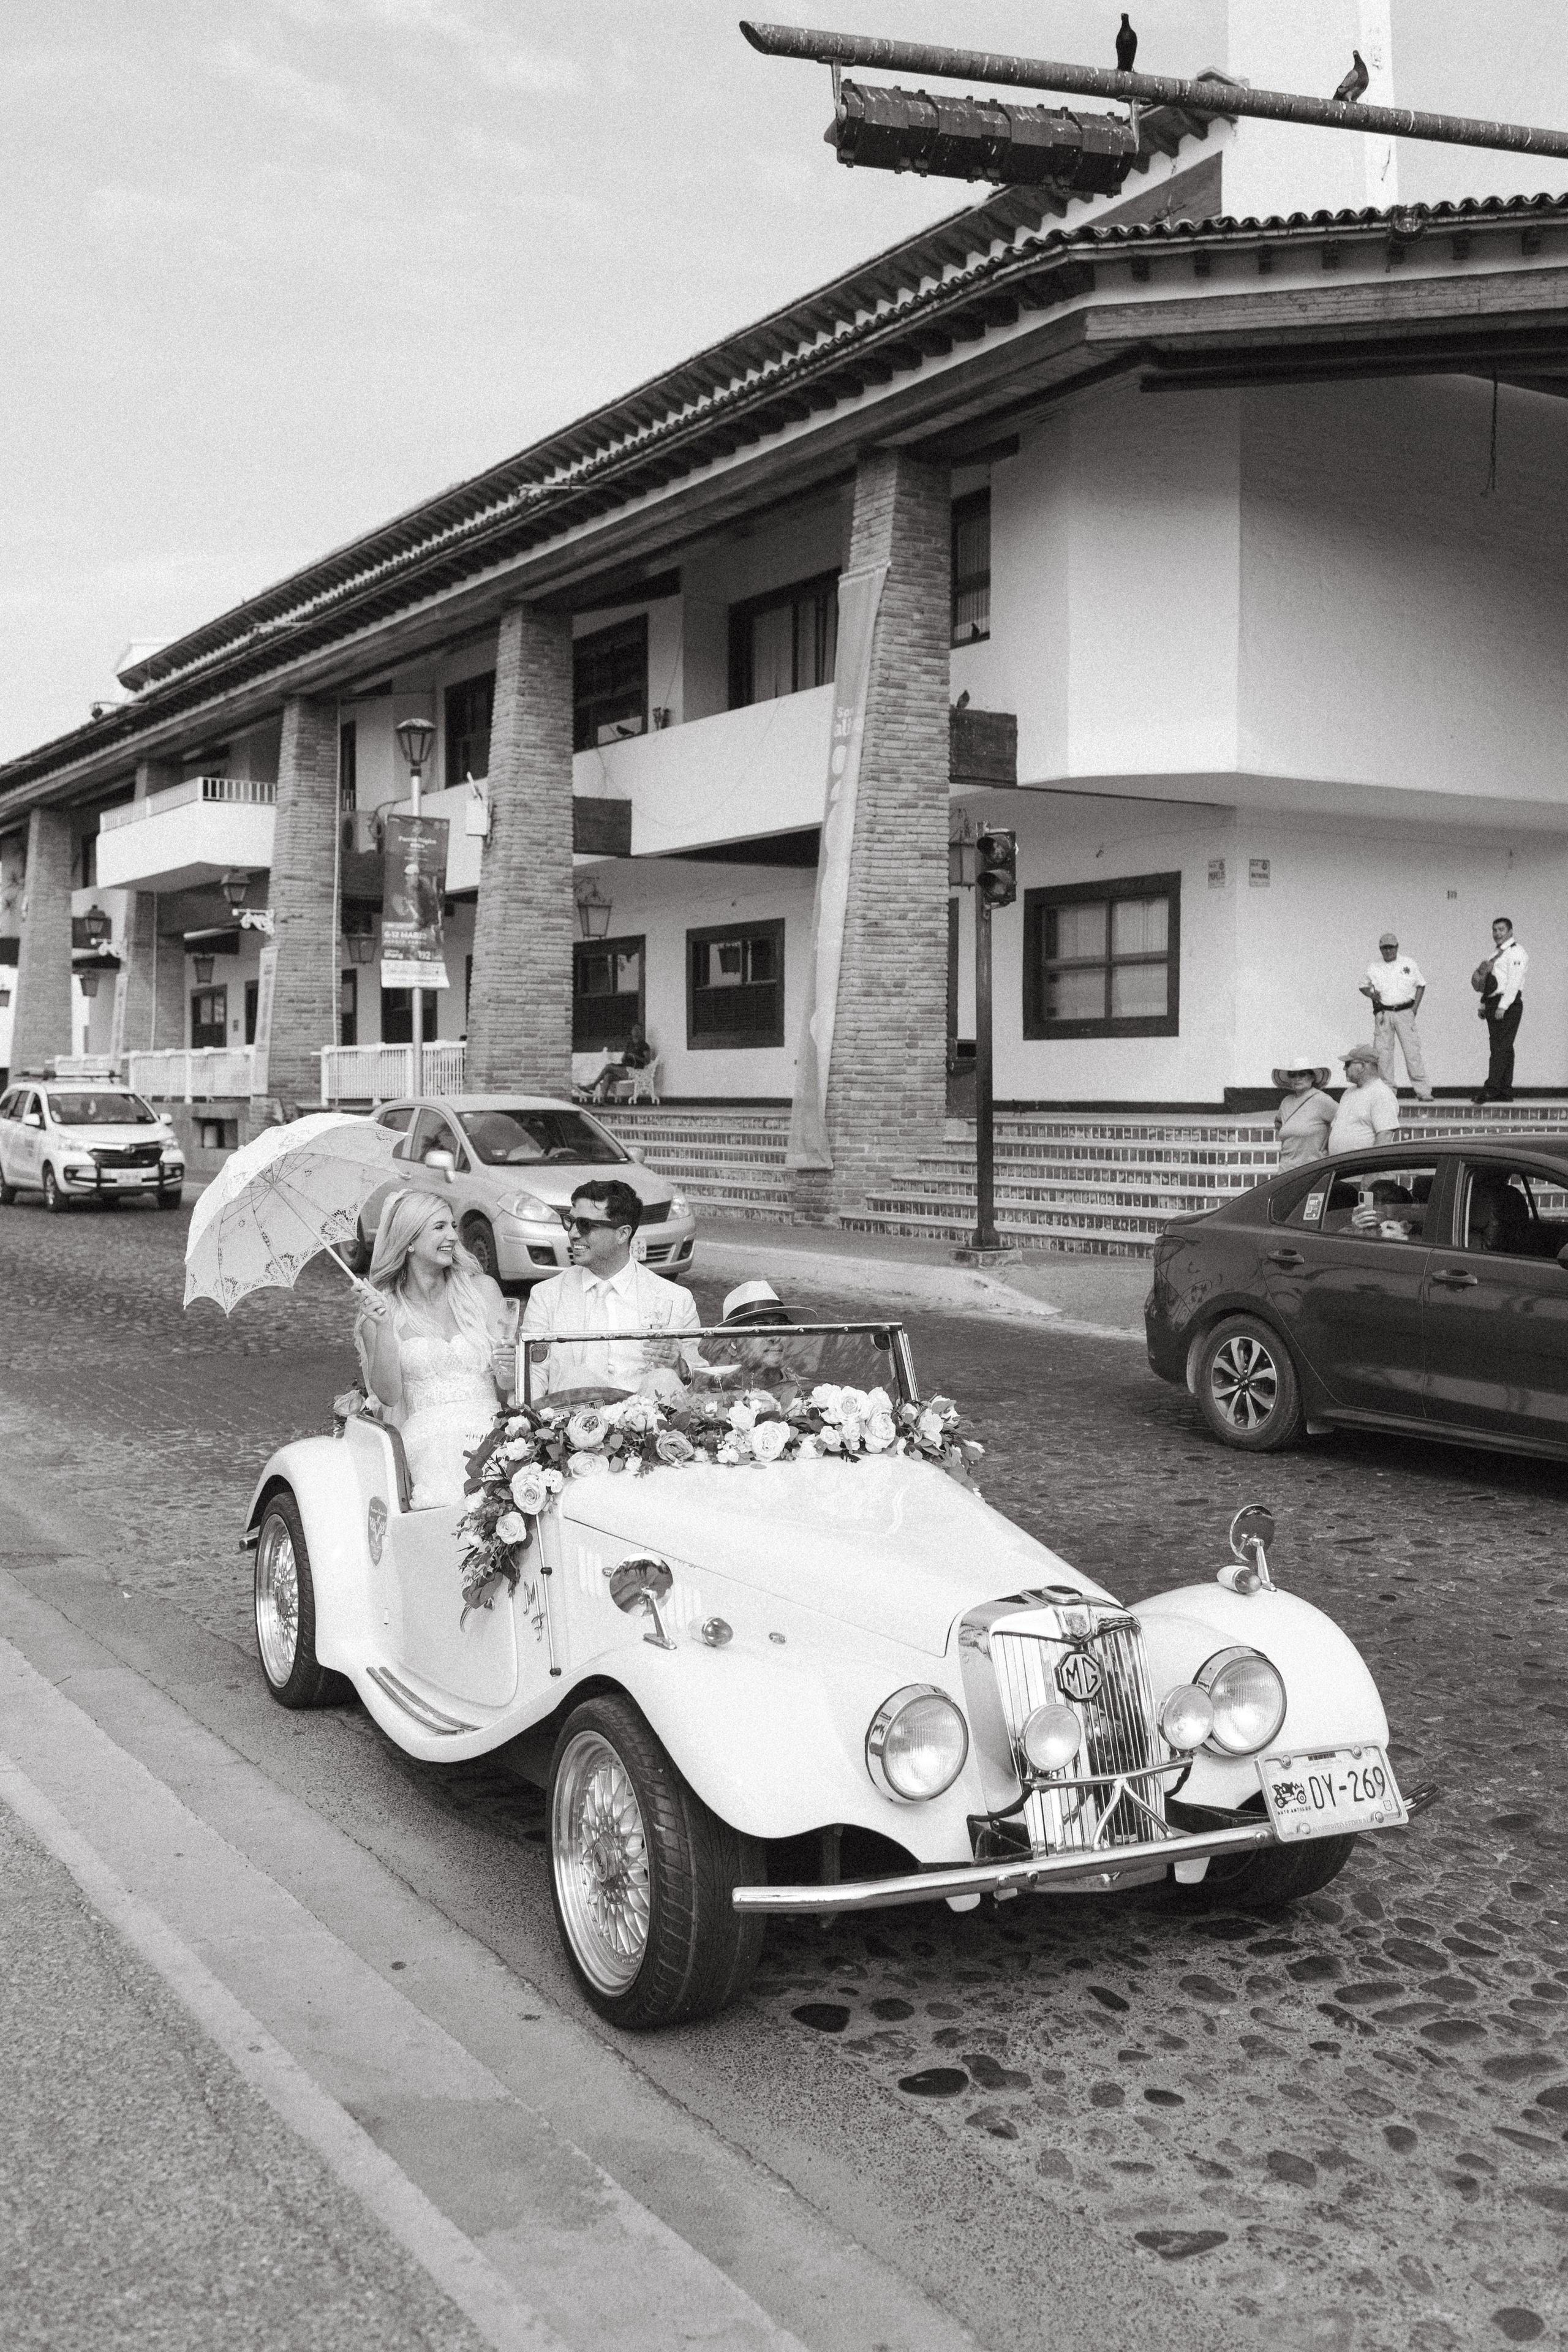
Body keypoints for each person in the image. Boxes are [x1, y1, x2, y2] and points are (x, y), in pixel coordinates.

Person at [354, 1190, 517, 1508]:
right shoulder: (380, 1310)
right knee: (449, 1487)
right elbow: (387, 1395)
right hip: (428, 1437)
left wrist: (509, 1366)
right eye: (440, 1227)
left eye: (453, 1226)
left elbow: (509, 1384)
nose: (454, 1236)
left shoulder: (483, 1291)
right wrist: (384, 1327)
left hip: (493, 1429)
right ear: (409, 1241)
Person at [521, 1177, 699, 1401]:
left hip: (647, 1427)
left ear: (623, 1234)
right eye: (571, 1221)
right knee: (577, 1378)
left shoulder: (675, 1299)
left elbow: (701, 1382)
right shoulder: (546, 1296)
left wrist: (679, 1366)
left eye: (585, 1225)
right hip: (567, 1428)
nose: (573, 1233)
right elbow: (533, 1376)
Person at [1359, 932, 1433, 1101]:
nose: (1388, 951)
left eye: (1391, 947)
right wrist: (1372, 995)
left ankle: (1423, 1091)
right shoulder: (1374, 967)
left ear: (1397, 947)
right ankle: (1388, 1092)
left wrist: (1415, 1009)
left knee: (1412, 1052)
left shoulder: (1408, 963)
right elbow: (1363, 986)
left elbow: (1421, 985)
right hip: (1384, 1013)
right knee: (1383, 1055)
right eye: (1384, 948)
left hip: (1405, 1011)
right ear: (1380, 949)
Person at [1472, 916, 1528, 1104]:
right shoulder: (1495, 954)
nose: (1497, 933)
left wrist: (1503, 1006)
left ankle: (1491, 1089)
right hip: (1493, 1002)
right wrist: (1484, 1003)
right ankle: (1504, 1090)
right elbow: (1489, 982)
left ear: (1510, 932)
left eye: (1501, 930)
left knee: (1500, 1048)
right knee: (1502, 1047)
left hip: (1508, 1004)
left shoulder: (1516, 952)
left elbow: (1513, 982)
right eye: (1495, 930)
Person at [1327, 1046, 1400, 1155]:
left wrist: (1371, 1166)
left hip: (1362, 1169)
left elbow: (1385, 1136)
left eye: (1348, 1064)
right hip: (1341, 1166)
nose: (1344, 1069)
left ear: (1361, 1066)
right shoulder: (1348, 1093)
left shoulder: (1381, 1094)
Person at [1272, 1055, 1336, 1168]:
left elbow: (1344, 1119)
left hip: (1311, 1169)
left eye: (1302, 1074)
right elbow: (1278, 1123)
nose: (1297, 1079)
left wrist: (1329, 1138)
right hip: (1286, 1168)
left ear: (1312, 1078)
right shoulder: (1286, 1102)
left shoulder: (1321, 1099)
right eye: (1293, 1075)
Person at [590, 1022, 655, 1103]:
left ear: (641, 1032)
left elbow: (647, 1062)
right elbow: (623, 1059)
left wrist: (635, 1056)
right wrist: (625, 1058)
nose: (635, 1031)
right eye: (634, 1029)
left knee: (608, 1067)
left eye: (638, 1029)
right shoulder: (630, 1044)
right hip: (625, 1069)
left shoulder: (645, 1046)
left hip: (635, 1071)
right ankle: (602, 1101)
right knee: (608, 1076)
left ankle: (593, 1085)